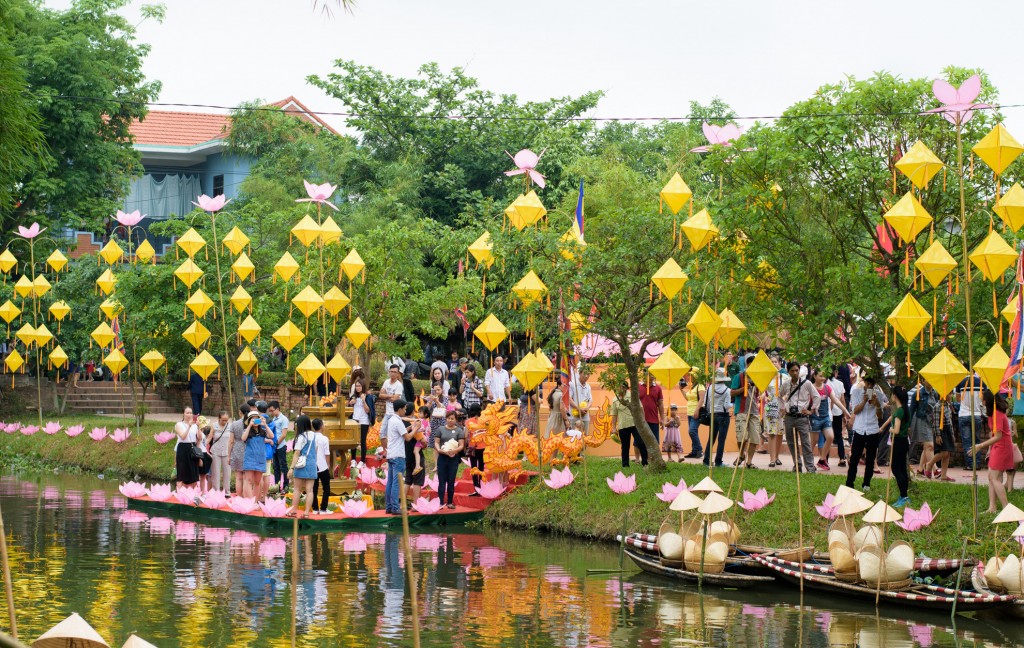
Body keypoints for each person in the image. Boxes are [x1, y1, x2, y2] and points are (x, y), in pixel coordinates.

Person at [973, 392, 1013, 513]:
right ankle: (992, 507)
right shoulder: (992, 413)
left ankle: (1006, 508)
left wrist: (981, 445)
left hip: (1002, 446)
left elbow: (999, 436)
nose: (981, 401)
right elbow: (994, 434)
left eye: (982, 399)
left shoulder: (997, 414)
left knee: (994, 477)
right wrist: (990, 449)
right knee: (992, 477)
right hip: (997, 447)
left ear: (987, 401)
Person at [846, 376, 887, 492]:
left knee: (870, 459)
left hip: (873, 429)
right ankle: (850, 483)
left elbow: (880, 416)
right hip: (859, 428)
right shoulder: (856, 392)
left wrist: (878, 404)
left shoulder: (878, 394)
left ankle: (866, 484)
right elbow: (855, 411)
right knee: (855, 458)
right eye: (868, 383)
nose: (869, 386)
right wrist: (864, 401)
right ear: (864, 382)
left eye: (872, 384)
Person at [780, 361, 821, 474]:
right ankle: (797, 465)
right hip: (789, 417)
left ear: (799, 371)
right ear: (788, 371)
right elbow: (778, 396)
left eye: (796, 370)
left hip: (802, 417)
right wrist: (782, 407)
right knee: (791, 443)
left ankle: (810, 468)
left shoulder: (807, 383)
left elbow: (817, 396)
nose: (795, 373)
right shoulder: (785, 384)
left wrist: (811, 410)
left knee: (806, 443)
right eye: (792, 371)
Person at [811, 368, 851, 472]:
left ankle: (822, 459)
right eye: (820, 376)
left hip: (825, 418)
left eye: (823, 376)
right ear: (814, 376)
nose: (822, 378)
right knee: (813, 441)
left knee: (830, 437)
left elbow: (836, 400)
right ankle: (808, 461)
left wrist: (846, 411)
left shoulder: (827, 387)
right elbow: (805, 401)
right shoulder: (810, 388)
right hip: (814, 418)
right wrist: (806, 411)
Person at [731, 357, 762, 469]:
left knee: (755, 438)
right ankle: (741, 455)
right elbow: (732, 393)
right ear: (748, 364)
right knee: (741, 437)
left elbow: (761, 393)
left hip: (754, 411)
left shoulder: (758, 378)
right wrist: (744, 388)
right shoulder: (738, 377)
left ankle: (749, 462)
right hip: (741, 410)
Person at [285, 415, 318, 518]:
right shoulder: (315, 435)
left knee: (297, 489)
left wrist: (291, 468)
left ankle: (294, 510)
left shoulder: (301, 436)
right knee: (310, 490)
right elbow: (315, 450)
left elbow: (296, 453)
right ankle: (307, 512)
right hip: (312, 464)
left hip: (301, 465)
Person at [885, 385, 912, 508]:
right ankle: (904, 496)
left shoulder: (899, 411)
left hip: (899, 442)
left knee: (896, 468)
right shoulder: (906, 410)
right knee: (901, 469)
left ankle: (904, 495)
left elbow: (896, 430)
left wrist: (890, 429)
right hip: (904, 441)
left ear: (895, 396)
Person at [240, 402, 273, 499]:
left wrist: (265, 424)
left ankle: (255, 501)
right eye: (253, 419)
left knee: (258, 482)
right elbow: (243, 438)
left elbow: (272, 436)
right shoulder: (247, 430)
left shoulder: (263, 431)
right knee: (248, 481)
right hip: (250, 458)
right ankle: (250, 501)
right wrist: (249, 426)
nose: (255, 421)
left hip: (260, 458)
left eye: (256, 418)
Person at [434, 410, 465, 509]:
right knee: (441, 480)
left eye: (452, 419)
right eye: (448, 418)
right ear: (446, 419)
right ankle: (440, 502)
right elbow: (436, 442)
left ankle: (450, 502)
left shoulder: (459, 430)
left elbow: (461, 445)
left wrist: (454, 451)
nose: (450, 420)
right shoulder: (440, 429)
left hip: (453, 458)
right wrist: (439, 450)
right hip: (442, 457)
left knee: (451, 481)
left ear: (455, 419)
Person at [702, 368, 733, 468]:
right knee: (721, 439)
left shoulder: (710, 388)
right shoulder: (727, 390)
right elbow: (727, 405)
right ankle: (718, 461)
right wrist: (733, 404)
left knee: (711, 438)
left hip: (712, 415)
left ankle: (706, 459)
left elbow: (706, 402)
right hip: (723, 416)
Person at [923, 390, 955, 482]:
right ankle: (930, 464)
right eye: (949, 393)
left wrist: (952, 434)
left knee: (947, 453)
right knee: (944, 452)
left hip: (947, 430)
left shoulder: (948, 406)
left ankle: (944, 475)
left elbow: (950, 422)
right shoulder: (937, 406)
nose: (951, 395)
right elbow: (936, 422)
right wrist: (937, 435)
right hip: (941, 431)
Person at [610, 385, 646, 467]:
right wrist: (614, 428)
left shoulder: (632, 396)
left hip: (635, 424)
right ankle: (625, 465)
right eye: (618, 387)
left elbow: (640, 408)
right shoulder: (615, 399)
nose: (619, 389)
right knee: (625, 446)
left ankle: (645, 462)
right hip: (623, 425)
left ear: (625, 388)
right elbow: (614, 415)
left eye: (621, 387)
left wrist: (643, 420)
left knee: (641, 443)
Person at [957, 373, 987, 470]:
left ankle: (970, 465)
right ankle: (977, 464)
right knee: (976, 440)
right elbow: (983, 400)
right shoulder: (982, 383)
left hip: (964, 414)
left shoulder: (960, 382)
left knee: (967, 441)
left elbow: (958, 399)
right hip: (977, 415)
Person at [827, 366, 850, 468]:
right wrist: (845, 413)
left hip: (828, 413)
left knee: (827, 436)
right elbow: (842, 400)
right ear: (836, 372)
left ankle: (825, 459)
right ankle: (842, 458)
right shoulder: (840, 383)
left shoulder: (825, 383)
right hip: (838, 412)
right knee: (839, 435)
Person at [174, 406, 201, 489]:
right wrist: (189, 426)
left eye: (190, 412)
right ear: (183, 414)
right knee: (182, 473)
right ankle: (180, 493)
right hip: (183, 448)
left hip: (192, 449)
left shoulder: (194, 425)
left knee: (193, 473)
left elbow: (199, 438)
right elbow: (183, 437)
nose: (189, 414)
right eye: (187, 413)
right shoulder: (179, 424)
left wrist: (199, 427)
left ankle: (191, 493)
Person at [310, 418, 331, 514]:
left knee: (313, 488)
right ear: (322, 426)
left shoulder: (311, 437)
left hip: (313, 466)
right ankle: (323, 508)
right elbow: (327, 454)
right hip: (323, 466)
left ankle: (315, 508)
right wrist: (328, 465)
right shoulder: (324, 439)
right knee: (326, 488)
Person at [267, 401, 290, 491]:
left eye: (272, 410)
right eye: (270, 411)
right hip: (274, 446)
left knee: (283, 466)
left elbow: (284, 434)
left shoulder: (284, 419)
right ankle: (277, 486)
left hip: (280, 446)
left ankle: (286, 485)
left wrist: (276, 444)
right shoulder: (274, 419)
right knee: (276, 467)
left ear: (277, 409)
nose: (271, 413)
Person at [208, 411, 233, 493]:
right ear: (219, 418)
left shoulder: (230, 426)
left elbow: (233, 439)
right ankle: (216, 491)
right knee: (216, 473)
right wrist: (203, 445)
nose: (225, 422)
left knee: (227, 473)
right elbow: (209, 438)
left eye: (226, 420)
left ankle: (227, 491)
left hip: (227, 452)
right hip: (216, 451)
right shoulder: (214, 425)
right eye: (223, 420)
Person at [348, 379, 371, 465]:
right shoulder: (353, 397)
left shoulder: (368, 397)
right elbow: (349, 409)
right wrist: (351, 403)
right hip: (354, 420)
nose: (358, 388)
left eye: (359, 386)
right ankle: (353, 459)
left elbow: (368, 410)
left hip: (364, 421)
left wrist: (363, 401)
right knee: (353, 441)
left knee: (362, 440)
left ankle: (362, 460)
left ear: (363, 387)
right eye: (356, 386)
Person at [228, 403, 250, 493]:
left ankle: (239, 497)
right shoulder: (250, 424)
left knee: (238, 477)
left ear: (240, 412)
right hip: (248, 449)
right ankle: (246, 497)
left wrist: (229, 455)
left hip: (236, 450)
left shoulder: (234, 424)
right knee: (246, 478)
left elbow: (231, 441)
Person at [638, 375, 665, 446]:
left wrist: (662, 418)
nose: (653, 377)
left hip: (654, 419)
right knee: (638, 442)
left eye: (654, 375)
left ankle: (652, 457)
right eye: (651, 375)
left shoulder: (658, 387)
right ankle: (638, 458)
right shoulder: (638, 386)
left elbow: (660, 404)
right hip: (640, 420)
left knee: (654, 442)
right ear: (645, 375)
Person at [464, 405, 486, 491]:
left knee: (473, 467)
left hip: (472, 446)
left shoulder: (468, 421)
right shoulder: (484, 421)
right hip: (483, 446)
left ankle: (476, 485)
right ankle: (481, 483)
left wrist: (465, 445)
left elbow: (466, 435)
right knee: (481, 466)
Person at [682, 374, 703, 459]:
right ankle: (694, 451)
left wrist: (697, 410)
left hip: (696, 412)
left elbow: (702, 399)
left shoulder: (700, 386)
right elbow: (688, 398)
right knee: (693, 431)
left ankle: (699, 449)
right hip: (690, 412)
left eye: (691, 376)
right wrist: (681, 390)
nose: (689, 378)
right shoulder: (692, 387)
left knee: (692, 431)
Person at [379, 364, 405, 429]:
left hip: (394, 414)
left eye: (395, 372)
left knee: (391, 434)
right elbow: (380, 395)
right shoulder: (386, 382)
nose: (393, 373)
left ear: (398, 373)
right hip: (387, 413)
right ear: (389, 372)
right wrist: (391, 395)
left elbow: (394, 399)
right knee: (382, 434)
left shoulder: (399, 385)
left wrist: (385, 396)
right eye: (391, 371)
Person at [569, 367, 593, 432]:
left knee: (585, 437)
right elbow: (569, 399)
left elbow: (590, 400)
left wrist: (586, 408)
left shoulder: (588, 386)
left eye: (588, 374)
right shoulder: (572, 384)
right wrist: (579, 409)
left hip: (585, 416)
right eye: (584, 374)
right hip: (574, 416)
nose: (586, 376)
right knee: (574, 438)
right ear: (579, 373)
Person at [195, 415, 212, 493]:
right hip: (201, 454)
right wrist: (199, 457)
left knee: (202, 476)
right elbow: (198, 444)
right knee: (201, 476)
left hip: (204, 453)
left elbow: (203, 445)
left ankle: (202, 491)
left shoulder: (202, 433)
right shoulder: (199, 434)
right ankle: (201, 491)